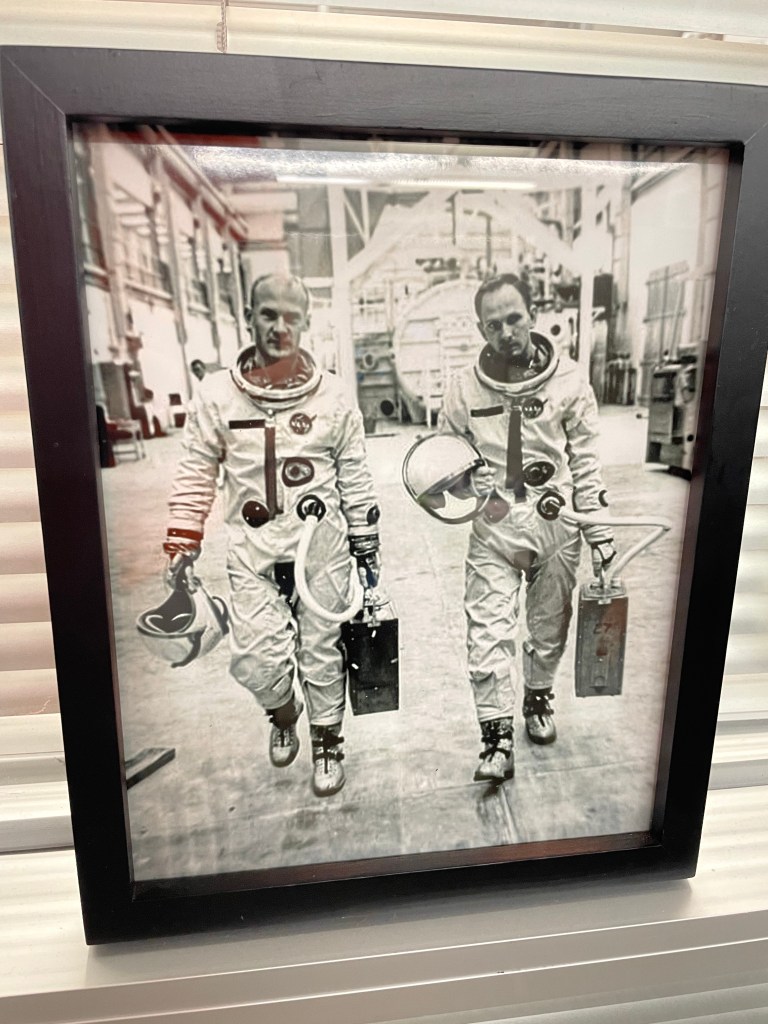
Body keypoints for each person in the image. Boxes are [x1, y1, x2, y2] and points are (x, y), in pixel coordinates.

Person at [163, 273, 381, 797]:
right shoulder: (217, 395)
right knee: (255, 658)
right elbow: (196, 471)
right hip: (253, 550)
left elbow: (354, 473)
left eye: (291, 317)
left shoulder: (333, 395)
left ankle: (327, 742)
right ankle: (283, 712)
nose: (279, 327)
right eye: (268, 315)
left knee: (323, 650)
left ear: (306, 323)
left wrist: (366, 539)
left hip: (320, 546)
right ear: (248, 317)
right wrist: (182, 541)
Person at [437, 273, 616, 783]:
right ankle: (496, 739)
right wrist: (468, 484)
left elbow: (586, 463)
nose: (506, 332)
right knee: (487, 630)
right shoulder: (464, 388)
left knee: (548, 627)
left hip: (555, 525)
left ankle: (538, 698)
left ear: (533, 315)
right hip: (495, 528)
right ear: (481, 329)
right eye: (493, 325)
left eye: (514, 319)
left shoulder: (570, 382)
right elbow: (443, 458)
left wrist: (600, 535)